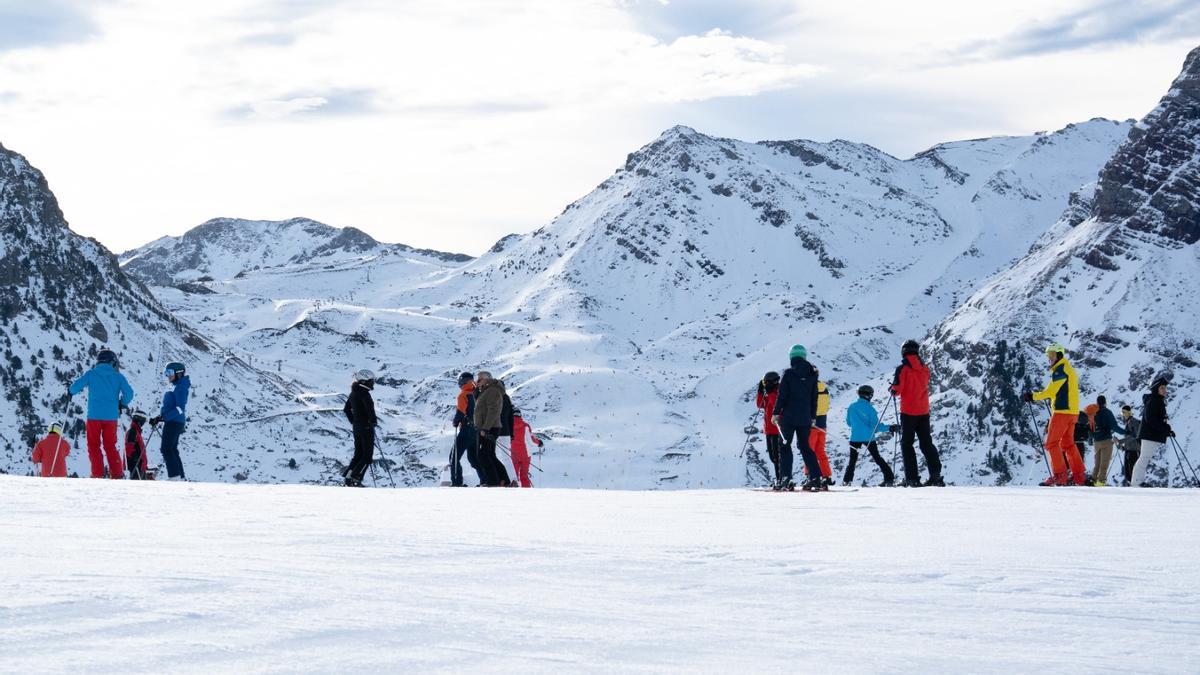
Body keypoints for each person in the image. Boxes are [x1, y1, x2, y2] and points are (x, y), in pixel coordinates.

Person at [1023, 344, 1086, 486]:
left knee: (1051, 443)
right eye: (1048, 355)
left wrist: (1033, 396)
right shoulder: (1069, 369)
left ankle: (1060, 475)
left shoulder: (1060, 370)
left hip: (1062, 412)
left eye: (1052, 354)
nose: (1050, 358)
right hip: (1073, 412)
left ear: (1060, 355)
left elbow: (1051, 391)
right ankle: (1079, 475)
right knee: (1068, 443)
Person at [68, 347, 134, 479]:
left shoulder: (91, 374)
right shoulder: (118, 377)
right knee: (110, 445)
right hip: (111, 417)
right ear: (112, 362)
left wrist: (70, 391)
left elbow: (74, 388)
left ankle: (97, 474)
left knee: (93, 445)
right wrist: (122, 403)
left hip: (94, 417)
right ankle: (117, 474)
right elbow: (129, 394)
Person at [890, 340, 944, 487]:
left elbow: (897, 389)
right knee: (926, 443)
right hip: (924, 410)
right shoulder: (925, 368)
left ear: (904, 351)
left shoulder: (902, 369)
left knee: (907, 444)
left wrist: (892, 389)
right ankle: (935, 475)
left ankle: (912, 478)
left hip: (908, 411)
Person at [771, 344, 821, 491]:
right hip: (805, 417)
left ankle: (786, 479)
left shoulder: (788, 374)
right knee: (805, 447)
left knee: (785, 446)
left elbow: (782, 396)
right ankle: (815, 478)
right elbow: (814, 398)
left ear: (791, 357)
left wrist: (775, 413)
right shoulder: (813, 374)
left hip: (789, 417)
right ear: (804, 356)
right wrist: (812, 416)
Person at [844, 385, 896, 486]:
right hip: (869, 437)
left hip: (855, 437)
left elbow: (849, 423)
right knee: (877, 458)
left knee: (852, 461)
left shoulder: (852, 406)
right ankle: (889, 478)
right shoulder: (870, 409)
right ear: (870, 395)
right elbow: (875, 426)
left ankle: (847, 481)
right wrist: (890, 427)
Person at [150, 362, 190, 481]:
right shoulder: (177, 385)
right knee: (172, 449)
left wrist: (165, 417)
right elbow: (172, 406)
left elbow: (180, 408)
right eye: (166, 373)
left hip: (174, 422)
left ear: (179, 373)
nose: (168, 376)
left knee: (166, 449)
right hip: (174, 421)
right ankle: (180, 477)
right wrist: (160, 417)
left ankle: (174, 476)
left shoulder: (181, 387)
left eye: (170, 373)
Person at [1132, 375, 1174, 487]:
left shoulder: (1156, 400)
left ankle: (1137, 482)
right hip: (1149, 435)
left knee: (1145, 457)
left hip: (1150, 434)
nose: (1165, 390)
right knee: (1144, 457)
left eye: (1165, 388)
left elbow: (1156, 419)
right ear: (1156, 389)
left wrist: (1167, 430)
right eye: (1162, 388)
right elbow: (1150, 419)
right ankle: (1136, 482)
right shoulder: (1153, 401)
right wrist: (1165, 429)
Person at [341, 369, 378, 487]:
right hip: (366, 428)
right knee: (366, 457)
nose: (373, 383)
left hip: (357, 428)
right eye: (371, 381)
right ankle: (355, 479)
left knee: (358, 455)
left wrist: (355, 422)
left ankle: (348, 477)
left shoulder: (354, 393)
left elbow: (346, 409)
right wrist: (372, 422)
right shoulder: (365, 394)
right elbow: (370, 411)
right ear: (364, 381)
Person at [473, 371, 510, 487]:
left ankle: (493, 481)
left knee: (484, 454)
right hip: (487, 427)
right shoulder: (485, 391)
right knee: (489, 454)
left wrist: (486, 428)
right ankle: (503, 479)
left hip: (490, 427)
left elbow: (493, 411)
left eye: (479, 380)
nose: (476, 382)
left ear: (486, 380)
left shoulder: (492, 391)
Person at [1088, 396, 1127, 486]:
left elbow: (1089, 428)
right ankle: (1100, 483)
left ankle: (1092, 481)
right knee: (1104, 463)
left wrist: (1090, 438)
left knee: (1097, 463)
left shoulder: (1093, 413)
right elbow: (1114, 427)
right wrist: (1126, 432)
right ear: (1105, 403)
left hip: (1096, 442)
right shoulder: (1107, 412)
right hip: (1106, 441)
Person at [451, 372, 481, 487]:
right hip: (476, 431)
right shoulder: (476, 394)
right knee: (474, 458)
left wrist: (455, 422)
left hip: (466, 430)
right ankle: (485, 480)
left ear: (462, 381)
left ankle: (457, 483)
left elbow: (460, 412)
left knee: (454, 457)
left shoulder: (463, 395)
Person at [755, 371, 782, 484]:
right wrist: (760, 392)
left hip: (777, 429)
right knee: (772, 456)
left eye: (766, 382)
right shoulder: (769, 392)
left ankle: (780, 479)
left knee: (777, 456)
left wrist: (769, 393)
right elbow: (760, 405)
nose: (765, 384)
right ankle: (779, 478)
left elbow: (777, 405)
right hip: (769, 429)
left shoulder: (778, 392)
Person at [807, 381, 834, 487]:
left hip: (811, 424)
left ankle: (811, 476)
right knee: (820, 451)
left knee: (809, 451)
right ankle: (826, 476)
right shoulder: (824, 388)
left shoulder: (808, 387)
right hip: (822, 424)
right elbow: (826, 406)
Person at [509, 407, 543, 488]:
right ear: (520, 415)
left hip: (513, 454)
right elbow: (531, 440)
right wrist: (539, 443)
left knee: (514, 476)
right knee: (524, 476)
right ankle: (527, 493)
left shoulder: (508, 425)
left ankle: (512, 493)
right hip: (525, 454)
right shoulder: (525, 426)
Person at [1119, 405, 1141, 486]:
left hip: (1134, 450)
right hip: (1130, 450)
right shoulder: (1129, 422)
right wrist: (1124, 447)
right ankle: (1131, 486)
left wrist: (1120, 441)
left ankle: (1134, 486)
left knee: (1132, 471)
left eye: (1124, 412)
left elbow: (1134, 436)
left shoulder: (1133, 421)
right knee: (1128, 472)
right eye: (1122, 413)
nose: (1123, 415)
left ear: (1129, 413)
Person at [125, 409, 150, 480]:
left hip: (140, 467)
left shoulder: (136, 432)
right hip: (136, 468)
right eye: (143, 421)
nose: (144, 423)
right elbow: (128, 449)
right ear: (140, 420)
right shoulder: (133, 432)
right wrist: (134, 458)